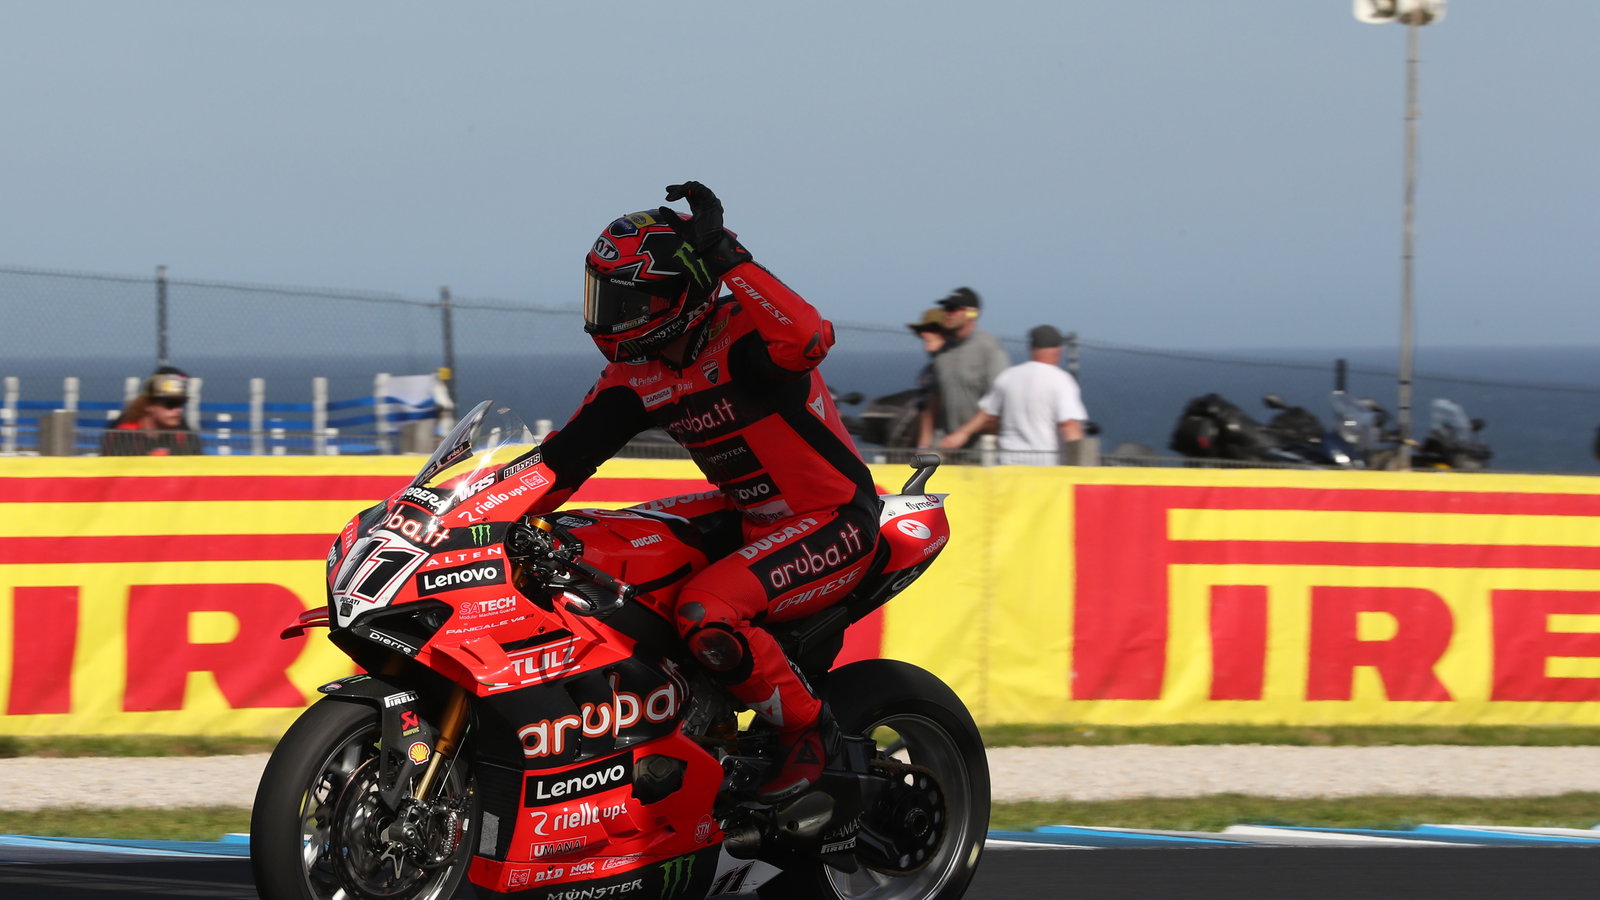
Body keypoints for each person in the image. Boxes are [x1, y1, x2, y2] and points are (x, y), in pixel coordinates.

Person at [530, 182, 879, 802]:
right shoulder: (636, 374)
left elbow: (809, 338)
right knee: (585, 543)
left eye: (624, 299)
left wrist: (724, 253)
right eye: (600, 294)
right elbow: (558, 464)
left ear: (677, 294)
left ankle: (810, 733)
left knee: (704, 610)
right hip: (749, 518)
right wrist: (456, 513)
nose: (606, 314)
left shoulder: (744, 333)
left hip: (832, 519)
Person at [938, 325, 1088, 465]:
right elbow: (1069, 426)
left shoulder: (1009, 376)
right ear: (1058, 350)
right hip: (1045, 467)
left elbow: (987, 415)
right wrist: (1080, 466)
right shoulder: (1061, 380)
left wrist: (961, 434)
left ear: (1031, 348)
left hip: (1009, 464)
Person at [916, 287, 1010, 450]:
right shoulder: (943, 353)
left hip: (980, 451)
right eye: (946, 308)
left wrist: (963, 433)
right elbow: (933, 404)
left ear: (972, 313)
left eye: (953, 308)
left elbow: (997, 402)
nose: (947, 313)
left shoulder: (989, 348)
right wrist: (923, 447)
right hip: (944, 447)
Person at [100, 366, 202, 456]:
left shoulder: (185, 436)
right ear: (148, 404)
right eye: (170, 404)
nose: (178, 410)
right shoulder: (124, 434)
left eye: (181, 404)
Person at [907, 307, 950, 447]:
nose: (924, 334)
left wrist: (923, 449)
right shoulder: (928, 372)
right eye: (922, 330)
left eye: (932, 329)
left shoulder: (948, 371)